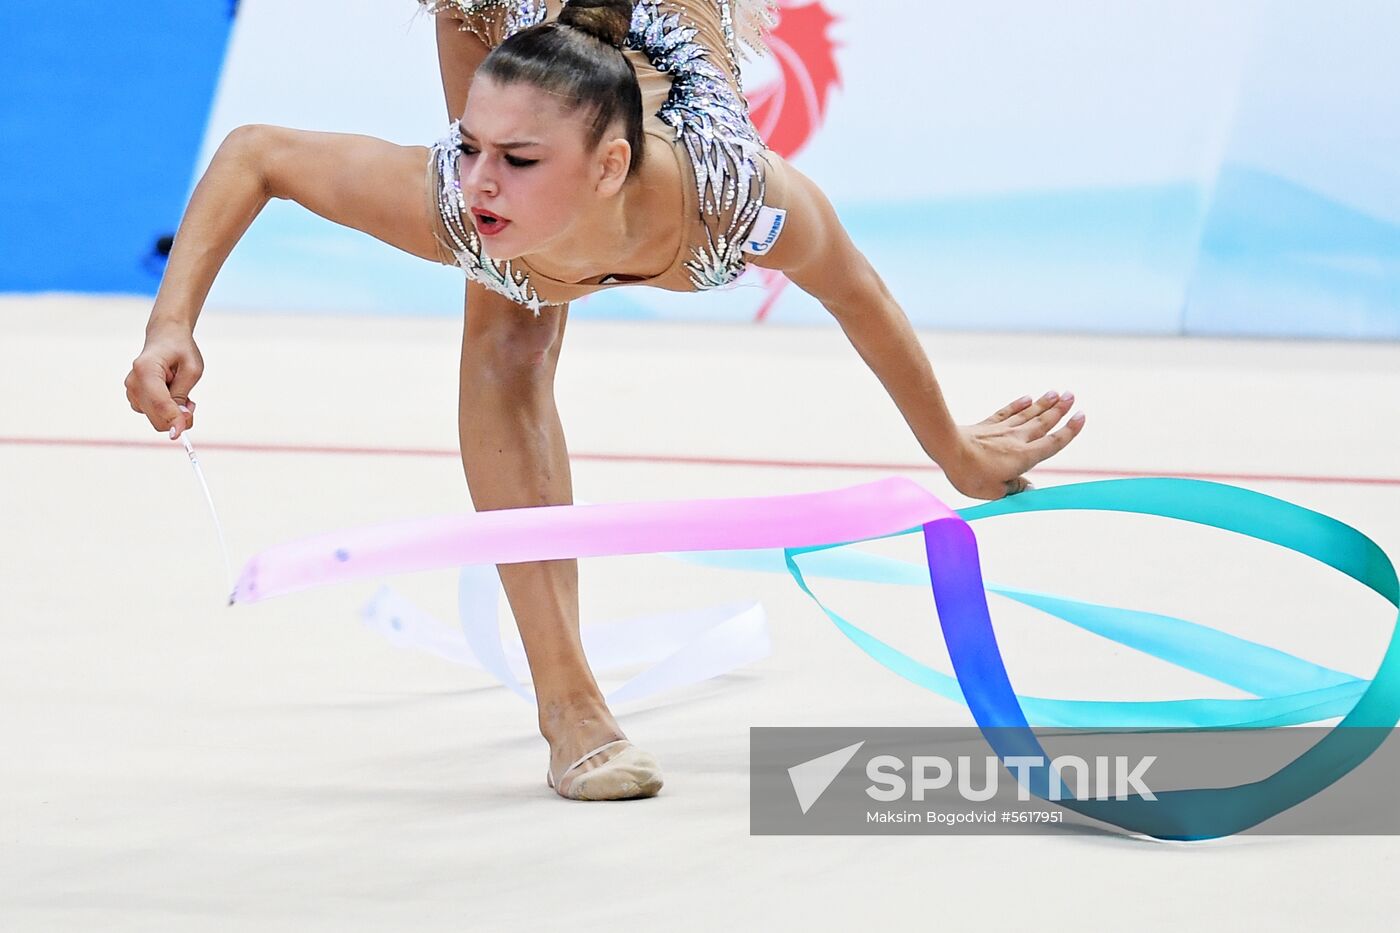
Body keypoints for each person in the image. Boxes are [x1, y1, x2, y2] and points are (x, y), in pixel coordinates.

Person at [124, 0, 1086, 801]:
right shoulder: (461, 201)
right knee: (507, 322)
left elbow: (856, 291)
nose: (476, 182)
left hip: (652, 68)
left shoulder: (735, 196)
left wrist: (954, 450)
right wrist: (172, 323)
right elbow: (256, 154)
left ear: (612, 168)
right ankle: (568, 702)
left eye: (514, 161)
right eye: (466, 149)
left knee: (512, 279)